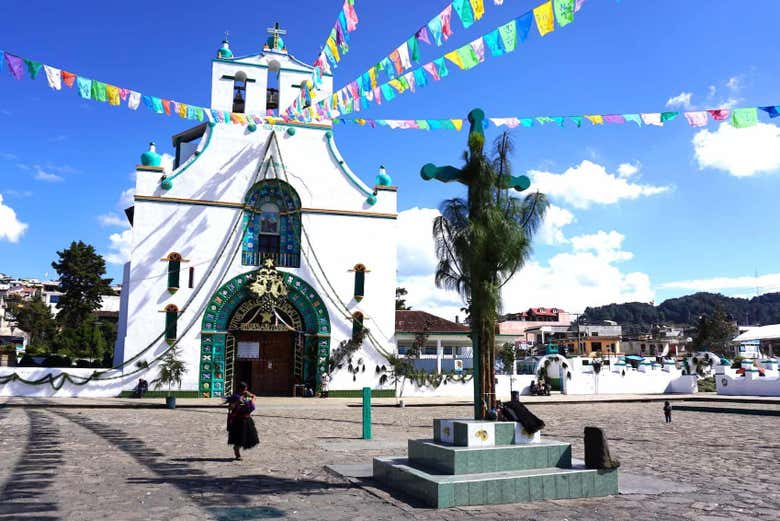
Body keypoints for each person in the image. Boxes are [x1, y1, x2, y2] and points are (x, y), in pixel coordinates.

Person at [226, 382, 259, 460]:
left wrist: (251, 396)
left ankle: (238, 449)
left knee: (247, 436)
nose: (245, 390)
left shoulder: (246, 396)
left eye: (246, 389)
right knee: (239, 437)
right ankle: (237, 452)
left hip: (247, 419)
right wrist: (237, 401)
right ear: (240, 389)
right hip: (238, 420)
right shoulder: (235, 397)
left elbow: (254, 398)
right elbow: (230, 408)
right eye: (244, 389)